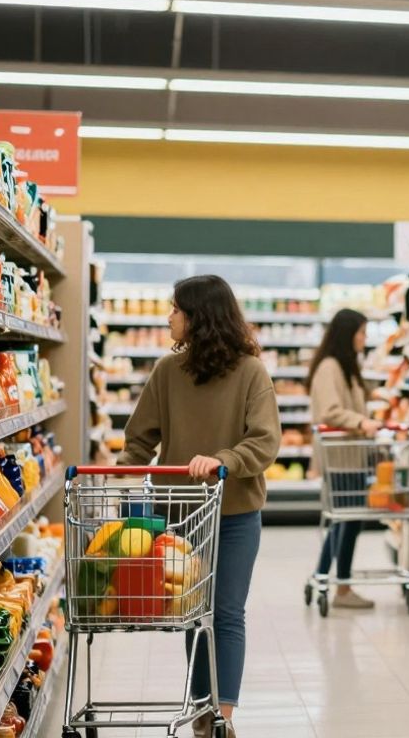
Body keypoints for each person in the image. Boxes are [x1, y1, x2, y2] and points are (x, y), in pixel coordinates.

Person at [121, 275, 280, 738]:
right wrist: (122, 475)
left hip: (235, 515)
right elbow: (140, 437)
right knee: (192, 612)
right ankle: (201, 709)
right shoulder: (167, 372)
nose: (168, 316)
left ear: (198, 317)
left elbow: (266, 440)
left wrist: (224, 460)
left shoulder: (252, 372)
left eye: (176, 308)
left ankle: (222, 716)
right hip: (178, 514)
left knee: (226, 612)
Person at [307, 308, 382, 608]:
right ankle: (340, 587)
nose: (365, 338)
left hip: (351, 456)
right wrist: (361, 422)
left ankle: (326, 578)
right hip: (340, 457)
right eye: (362, 332)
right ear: (347, 334)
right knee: (346, 522)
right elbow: (330, 411)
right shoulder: (329, 367)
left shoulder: (344, 365)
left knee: (344, 521)